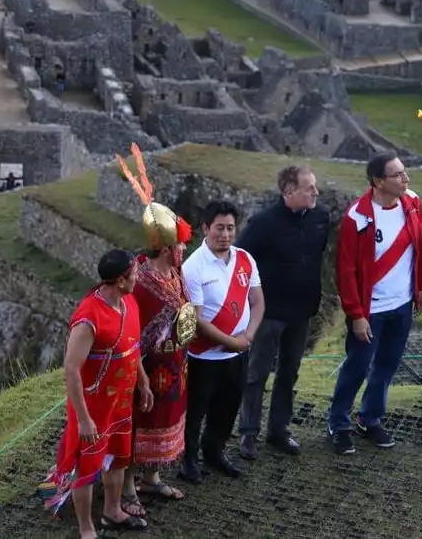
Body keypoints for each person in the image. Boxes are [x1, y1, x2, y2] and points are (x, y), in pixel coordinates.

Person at [39, 249, 153, 538]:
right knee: (88, 468)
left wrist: (143, 382)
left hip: (120, 401)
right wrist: (83, 419)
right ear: (120, 280)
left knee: (118, 457)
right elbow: (71, 369)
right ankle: (86, 528)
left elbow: (133, 347)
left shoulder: (129, 302)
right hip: (94, 407)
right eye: (134, 274)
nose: (138, 278)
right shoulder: (89, 317)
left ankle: (113, 512)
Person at [327, 152, 422, 455]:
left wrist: (420, 287)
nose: (405, 179)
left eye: (404, 172)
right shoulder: (357, 217)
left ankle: (370, 418)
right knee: (357, 367)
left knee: (386, 366)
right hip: (370, 310)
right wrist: (356, 314)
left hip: (402, 305)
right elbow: (346, 270)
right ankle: (338, 423)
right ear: (378, 182)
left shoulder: (413, 203)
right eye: (398, 175)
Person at [114, 147, 197, 515]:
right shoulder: (142, 282)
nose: (184, 247)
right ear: (166, 248)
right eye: (180, 243)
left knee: (165, 420)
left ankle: (151, 478)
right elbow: (133, 331)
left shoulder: (175, 273)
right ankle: (127, 487)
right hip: (145, 369)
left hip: (175, 365)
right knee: (139, 424)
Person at [237, 165, 330, 459]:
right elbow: (240, 261)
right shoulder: (263, 223)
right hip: (268, 314)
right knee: (257, 373)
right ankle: (248, 432)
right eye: (309, 188)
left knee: (289, 372)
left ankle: (279, 430)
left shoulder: (320, 217)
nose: (316, 192)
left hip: (302, 312)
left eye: (314, 187)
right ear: (289, 191)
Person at [181, 200, 264, 481]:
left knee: (228, 406)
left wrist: (248, 336)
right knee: (196, 411)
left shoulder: (245, 259)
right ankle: (188, 460)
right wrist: (232, 342)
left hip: (238, 353)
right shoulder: (194, 267)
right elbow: (198, 320)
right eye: (219, 228)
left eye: (230, 228)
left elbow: (258, 301)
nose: (225, 234)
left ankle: (214, 453)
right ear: (206, 228)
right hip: (204, 356)